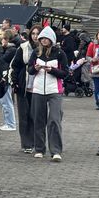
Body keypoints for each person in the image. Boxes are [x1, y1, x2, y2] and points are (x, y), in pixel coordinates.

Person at [28, 25, 68, 161]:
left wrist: (52, 70)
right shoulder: (35, 52)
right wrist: (35, 68)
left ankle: (56, 150)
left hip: (54, 90)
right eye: (42, 38)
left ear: (52, 39)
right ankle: (39, 148)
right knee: (38, 119)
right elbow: (29, 70)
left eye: (46, 38)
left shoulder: (59, 53)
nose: (44, 40)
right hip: (38, 90)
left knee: (54, 120)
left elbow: (65, 73)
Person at [9, 25, 40, 153]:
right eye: (33, 33)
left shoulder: (47, 49)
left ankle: (36, 141)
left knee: (36, 115)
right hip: (23, 85)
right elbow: (15, 65)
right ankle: (26, 143)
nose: (35, 36)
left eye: (38, 34)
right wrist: (15, 82)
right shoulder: (23, 47)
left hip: (39, 87)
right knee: (24, 116)